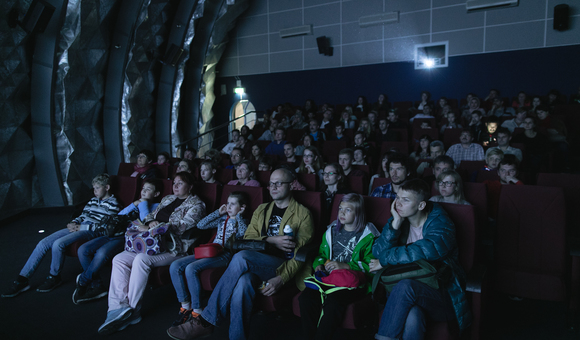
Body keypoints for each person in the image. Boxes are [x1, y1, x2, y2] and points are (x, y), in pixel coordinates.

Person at [166, 168, 315, 340]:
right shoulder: (262, 209)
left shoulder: (303, 214)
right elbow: (248, 237)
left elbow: (299, 255)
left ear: (292, 185)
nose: (273, 187)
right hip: (258, 261)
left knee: (241, 257)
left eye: (279, 183)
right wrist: (271, 240)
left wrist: (281, 279)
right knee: (243, 283)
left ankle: (206, 320)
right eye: (271, 184)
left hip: (282, 266)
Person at [98, 172, 206, 335]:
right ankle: (117, 309)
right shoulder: (168, 199)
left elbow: (182, 226)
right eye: (174, 182)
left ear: (190, 187)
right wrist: (149, 222)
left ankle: (133, 312)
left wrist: (155, 226)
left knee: (141, 260)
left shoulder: (197, 204)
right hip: (152, 244)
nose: (175, 186)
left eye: (180, 183)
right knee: (119, 259)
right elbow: (149, 215)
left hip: (175, 248)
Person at [370, 179, 471, 340]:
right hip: (405, 296)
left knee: (405, 286)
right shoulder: (399, 219)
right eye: (398, 197)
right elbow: (377, 252)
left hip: (441, 294)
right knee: (413, 316)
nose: (398, 204)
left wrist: (385, 261)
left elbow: (426, 249)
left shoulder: (442, 223)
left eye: (406, 200)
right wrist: (395, 225)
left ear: (421, 205)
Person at [2, 174, 121, 297]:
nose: (94, 191)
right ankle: (22, 279)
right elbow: (83, 215)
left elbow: (105, 227)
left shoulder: (113, 204)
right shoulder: (92, 201)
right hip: (79, 226)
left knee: (58, 244)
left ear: (107, 187)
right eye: (93, 188)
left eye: (97, 188)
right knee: (43, 243)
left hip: (90, 230)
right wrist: (74, 222)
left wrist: (81, 227)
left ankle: (54, 277)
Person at [299, 193, 379, 340]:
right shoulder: (331, 231)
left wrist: (346, 265)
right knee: (306, 298)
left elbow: (372, 265)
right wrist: (320, 265)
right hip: (329, 278)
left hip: (353, 282)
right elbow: (321, 254)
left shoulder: (369, 235)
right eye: (340, 208)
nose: (341, 213)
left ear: (358, 212)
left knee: (334, 303)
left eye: (348, 210)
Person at [72, 179, 163, 304]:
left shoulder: (156, 207)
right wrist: (135, 203)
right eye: (143, 188)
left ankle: (83, 280)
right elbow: (120, 215)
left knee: (101, 253)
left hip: (127, 238)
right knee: (83, 249)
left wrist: (142, 203)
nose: (144, 191)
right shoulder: (137, 203)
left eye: (148, 189)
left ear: (156, 194)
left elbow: (145, 219)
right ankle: (97, 285)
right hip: (113, 232)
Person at [169, 191, 250, 326]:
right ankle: (185, 305)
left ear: (242, 208)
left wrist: (239, 217)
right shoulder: (222, 219)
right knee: (175, 266)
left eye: (233, 204)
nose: (228, 207)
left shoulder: (244, 222)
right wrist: (218, 213)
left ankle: (197, 310)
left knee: (191, 268)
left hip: (225, 254)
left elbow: (244, 235)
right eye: (227, 203)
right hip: (210, 250)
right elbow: (201, 225)